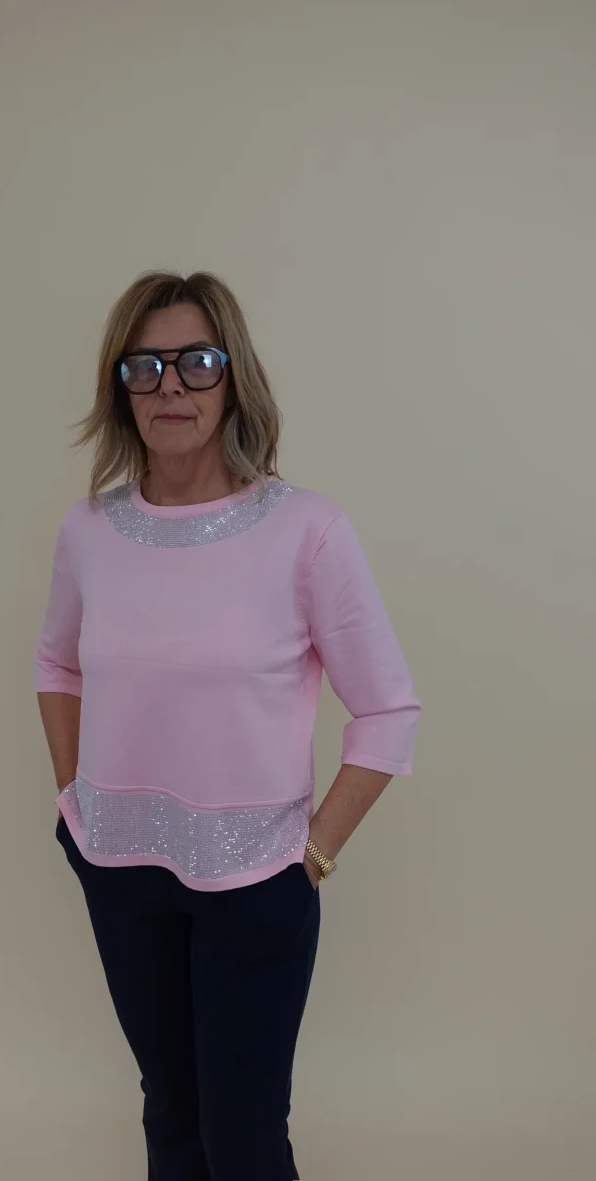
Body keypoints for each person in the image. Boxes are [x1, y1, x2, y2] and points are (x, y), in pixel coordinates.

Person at [35, 270, 421, 1181]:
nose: (170, 385)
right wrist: (75, 803)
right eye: (145, 366)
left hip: (257, 884)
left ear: (233, 377)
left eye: (196, 363)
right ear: (121, 388)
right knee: (171, 1116)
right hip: (120, 875)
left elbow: (389, 709)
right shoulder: (88, 532)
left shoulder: (307, 531)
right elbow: (57, 665)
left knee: (242, 1140)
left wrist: (313, 855)